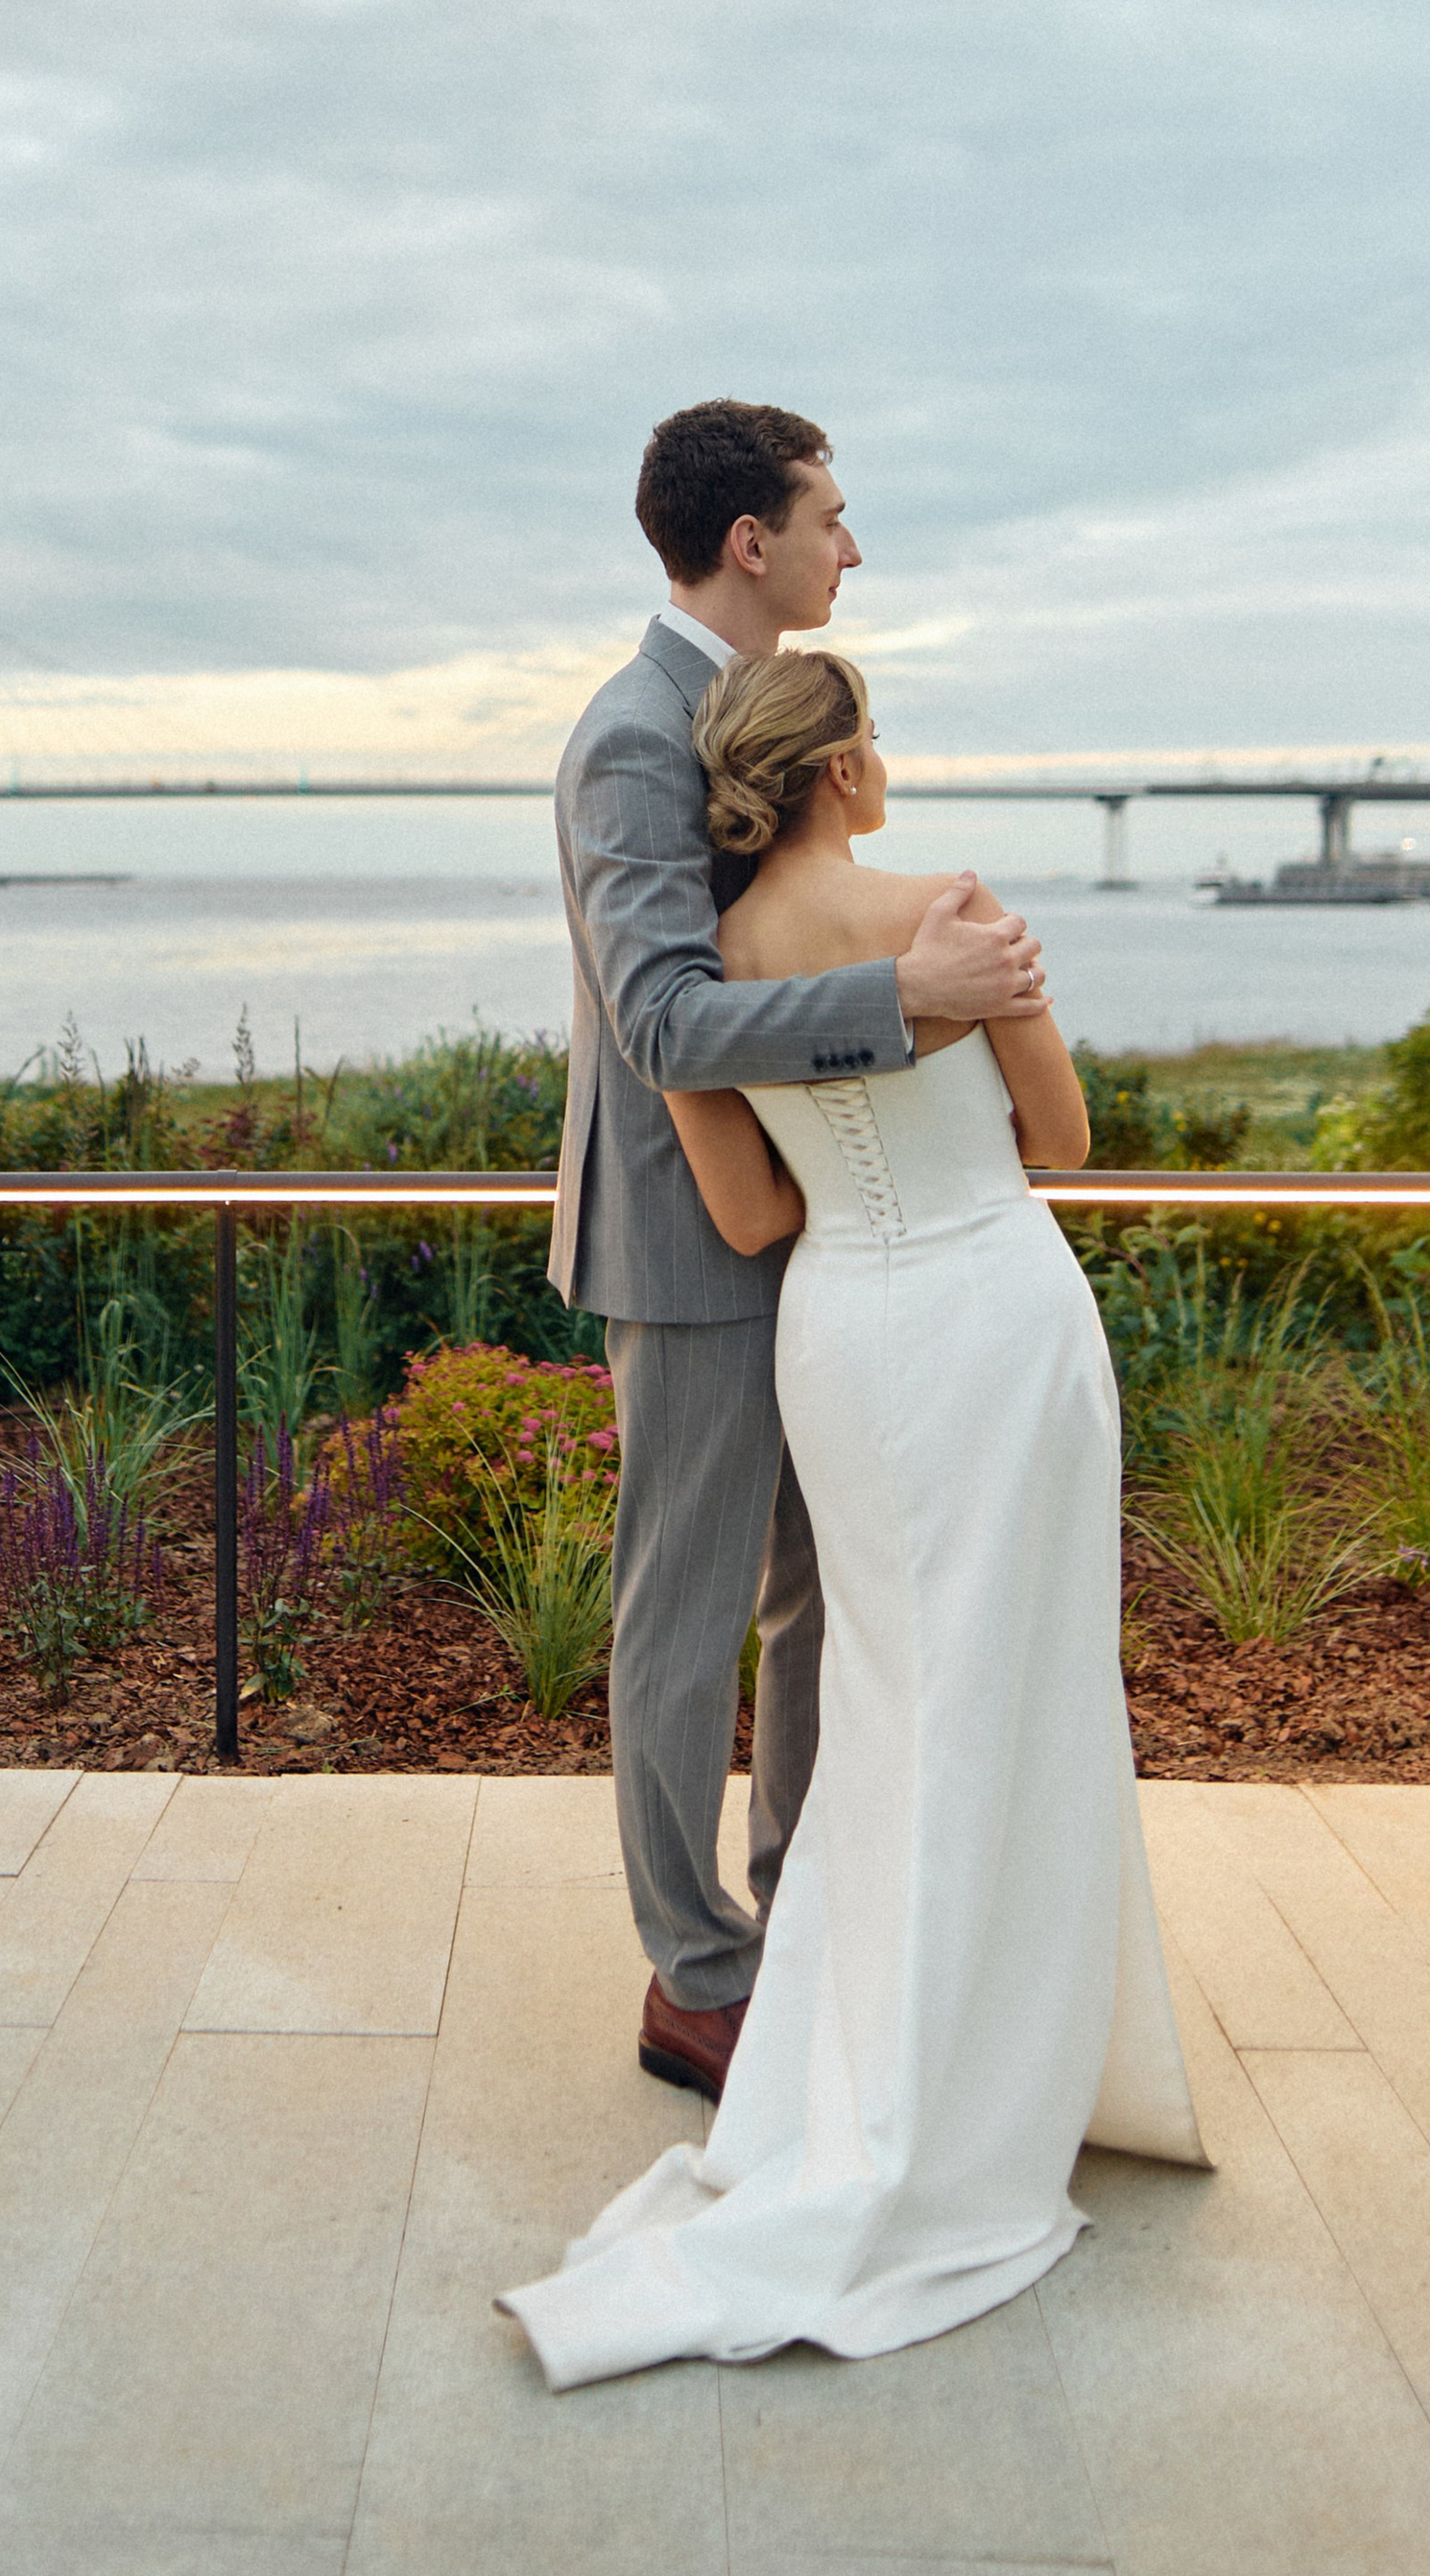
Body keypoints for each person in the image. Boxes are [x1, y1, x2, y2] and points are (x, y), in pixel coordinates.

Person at [503, 650, 1204, 2387]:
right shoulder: (953, 911)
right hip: (997, 1322)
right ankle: (995, 2064)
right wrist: (945, 1032)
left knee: (893, 1690)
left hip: (840, 1333)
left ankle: (865, 2048)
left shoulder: (702, 983)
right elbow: (1064, 1131)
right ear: (840, 770)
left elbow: (745, 1214)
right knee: (1019, 1685)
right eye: (873, 735)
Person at [550, 398, 1048, 2099]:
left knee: (819, 1606)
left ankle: (806, 1918)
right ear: (748, 541)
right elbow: (666, 1020)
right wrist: (908, 1000)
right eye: (833, 514)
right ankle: (696, 1979)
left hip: (828, 1246)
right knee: (681, 1617)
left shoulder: (741, 721)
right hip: (694, 1248)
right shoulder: (634, 733)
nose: (856, 543)